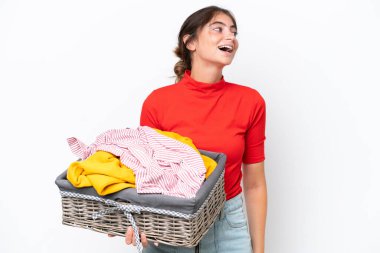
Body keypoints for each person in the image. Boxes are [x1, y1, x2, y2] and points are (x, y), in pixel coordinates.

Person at [124, 5, 267, 253]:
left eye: (234, 31)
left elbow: (254, 184)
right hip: (169, 224)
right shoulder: (158, 103)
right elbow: (146, 175)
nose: (230, 37)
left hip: (228, 226)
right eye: (218, 29)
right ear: (190, 42)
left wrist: (260, 250)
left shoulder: (250, 102)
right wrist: (138, 220)